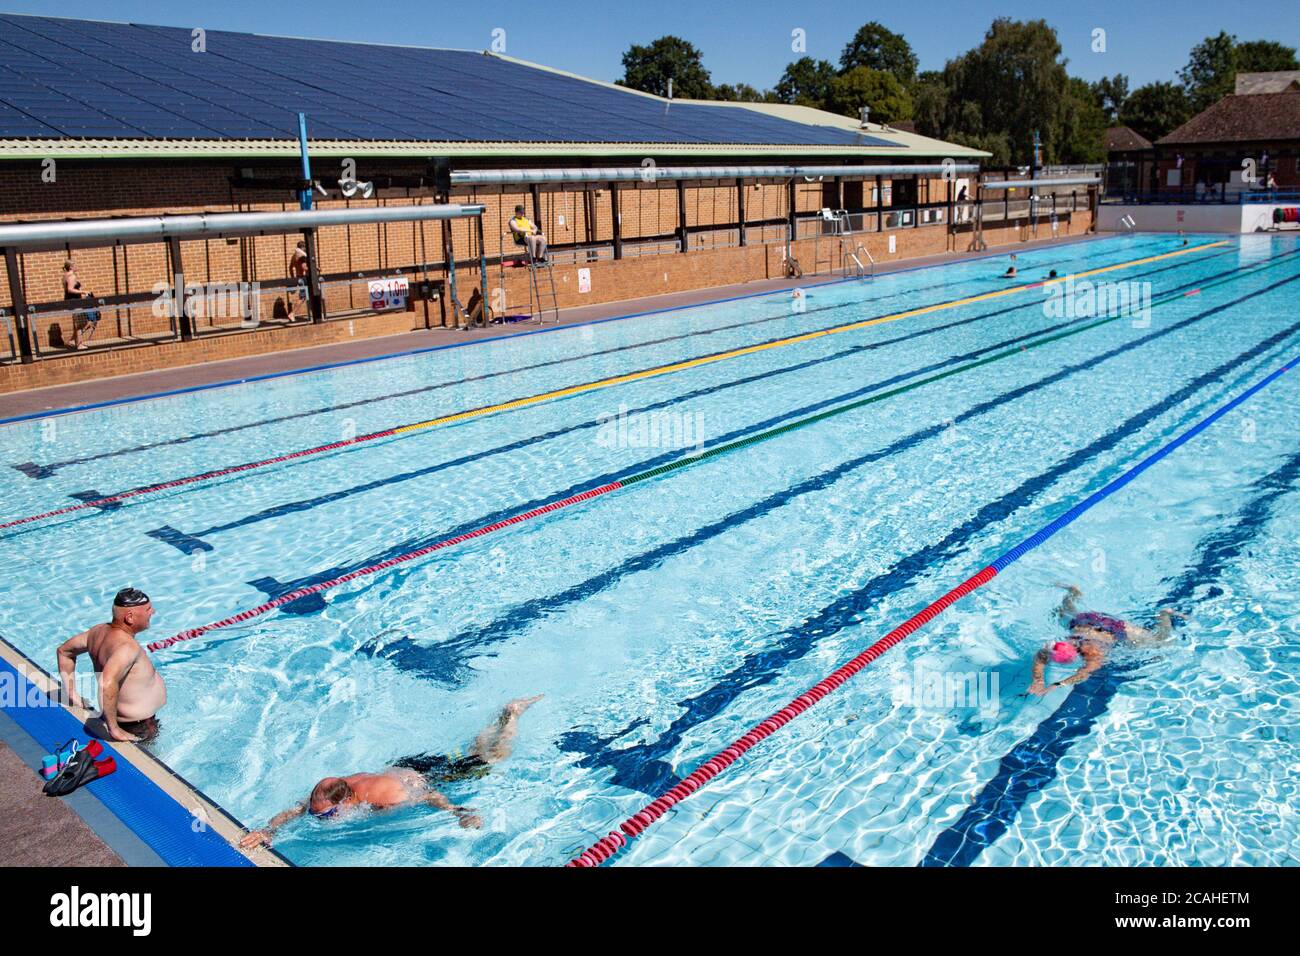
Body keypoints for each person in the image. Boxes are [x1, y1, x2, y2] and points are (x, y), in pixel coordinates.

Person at [240, 695, 543, 848]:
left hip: (425, 776)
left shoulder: (387, 798)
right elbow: (293, 811)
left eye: (325, 816)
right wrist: (268, 830)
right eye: (318, 814)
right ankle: (500, 718)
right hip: (407, 763)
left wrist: (459, 812)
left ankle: (512, 715)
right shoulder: (328, 793)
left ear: (345, 802)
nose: (319, 819)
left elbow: (428, 795)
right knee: (473, 753)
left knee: (493, 759)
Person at [1027, 584, 1184, 695]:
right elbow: (1041, 657)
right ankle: (1072, 592)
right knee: (1065, 611)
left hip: (1112, 628)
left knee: (1159, 641)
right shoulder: (1062, 645)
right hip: (1086, 620)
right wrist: (1038, 681)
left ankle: (1164, 614)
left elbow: (1085, 673)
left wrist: (1058, 684)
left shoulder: (1091, 652)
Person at [56, 588, 167, 743]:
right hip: (138, 726)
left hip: (131, 721)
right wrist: (114, 729)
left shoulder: (98, 631)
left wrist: (72, 694)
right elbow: (107, 682)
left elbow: (64, 651)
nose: (152, 612)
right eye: (148, 609)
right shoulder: (127, 647)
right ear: (130, 617)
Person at [63, 259, 100, 350]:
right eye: (75, 265)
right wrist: (84, 291)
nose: (77, 266)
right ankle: (79, 344)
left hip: (71, 301)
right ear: (71, 267)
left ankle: (75, 342)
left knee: (79, 322)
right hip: (74, 302)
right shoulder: (71, 276)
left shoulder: (65, 276)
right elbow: (70, 289)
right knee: (81, 323)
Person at [288, 241, 309, 317]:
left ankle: (311, 312)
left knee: (307, 296)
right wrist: (313, 269)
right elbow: (304, 267)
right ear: (302, 247)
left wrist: (293, 277)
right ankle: (292, 314)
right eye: (305, 248)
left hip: (298, 277)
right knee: (303, 297)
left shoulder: (294, 256)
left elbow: (290, 268)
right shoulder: (301, 256)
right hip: (303, 278)